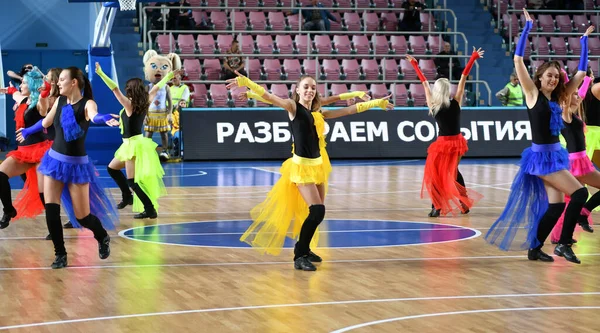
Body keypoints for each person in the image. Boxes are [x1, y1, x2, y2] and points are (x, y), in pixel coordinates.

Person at [226, 71, 393, 271]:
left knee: (316, 212)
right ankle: (299, 254)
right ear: (297, 90)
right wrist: (248, 84)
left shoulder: (319, 113)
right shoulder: (292, 107)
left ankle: (305, 248)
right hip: (301, 168)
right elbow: (269, 97)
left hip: (317, 167)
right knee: (317, 210)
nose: (310, 90)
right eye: (306, 86)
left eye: (313, 87)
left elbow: (349, 111)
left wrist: (375, 104)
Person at [485, 9, 593, 265]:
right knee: (579, 194)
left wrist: (584, 42)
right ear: (540, 77)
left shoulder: (559, 96)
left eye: (556, 77)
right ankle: (564, 244)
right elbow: (518, 60)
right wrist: (527, 28)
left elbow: (580, 74)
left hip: (556, 154)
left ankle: (535, 248)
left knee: (556, 207)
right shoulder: (532, 94)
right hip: (542, 157)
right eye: (549, 76)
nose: (553, 79)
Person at [19, 67, 121, 269]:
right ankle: (60, 254)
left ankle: (102, 237)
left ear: (74, 82)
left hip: (77, 167)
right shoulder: (59, 101)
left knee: (83, 217)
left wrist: (103, 119)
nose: (58, 83)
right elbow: (46, 122)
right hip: (54, 161)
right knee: (51, 209)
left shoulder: (87, 103)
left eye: (62, 79)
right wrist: (27, 130)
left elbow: (94, 115)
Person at [407, 48, 485, 218]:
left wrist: (415, 64)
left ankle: (437, 206)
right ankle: (464, 203)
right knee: (454, 173)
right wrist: (472, 58)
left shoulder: (433, 106)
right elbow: (464, 77)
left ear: (437, 90)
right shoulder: (456, 101)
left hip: (442, 145)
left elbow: (424, 84)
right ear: (448, 89)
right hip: (457, 142)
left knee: (435, 175)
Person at [96, 62, 169, 219]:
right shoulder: (145, 102)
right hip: (132, 144)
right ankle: (127, 196)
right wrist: (168, 77)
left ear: (130, 90)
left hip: (133, 146)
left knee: (132, 181)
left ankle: (150, 209)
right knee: (112, 168)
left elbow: (114, 88)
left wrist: (101, 74)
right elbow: (156, 88)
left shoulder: (129, 104)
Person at [0, 68, 51, 228]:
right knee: (0, 176)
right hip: (22, 152)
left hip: (40, 151)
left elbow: (44, 101)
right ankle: (8, 210)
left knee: (45, 195)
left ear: (32, 84)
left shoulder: (40, 104)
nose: (21, 84)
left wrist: (46, 89)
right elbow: (13, 91)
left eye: (23, 82)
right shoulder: (22, 99)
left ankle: (54, 231)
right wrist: (7, 89)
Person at [550, 70, 597, 243]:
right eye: (574, 94)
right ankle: (581, 215)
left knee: (572, 199)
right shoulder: (565, 114)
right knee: (573, 199)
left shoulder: (573, 112)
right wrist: (568, 78)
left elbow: (582, 94)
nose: (578, 96)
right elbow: (570, 93)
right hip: (575, 162)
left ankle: (563, 235)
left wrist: (587, 82)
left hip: (580, 161)